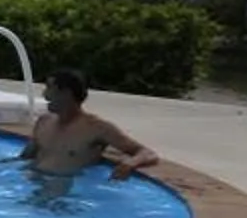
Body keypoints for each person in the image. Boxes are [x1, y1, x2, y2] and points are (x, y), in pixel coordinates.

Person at [19, 69, 160, 182]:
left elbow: (147, 153)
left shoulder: (97, 128)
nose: (44, 94)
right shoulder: (44, 122)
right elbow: (25, 158)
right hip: (34, 180)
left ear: (66, 93)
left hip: (66, 190)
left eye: (49, 88)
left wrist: (129, 164)